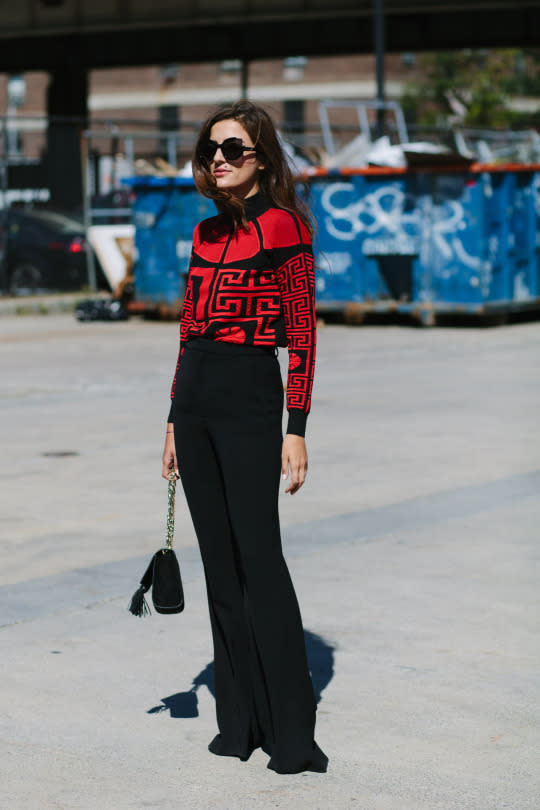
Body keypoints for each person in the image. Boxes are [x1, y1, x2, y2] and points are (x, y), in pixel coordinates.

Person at [161, 101, 328, 775]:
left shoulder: (286, 227)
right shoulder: (203, 233)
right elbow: (186, 328)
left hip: (251, 398)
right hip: (197, 398)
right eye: (210, 151)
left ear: (262, 156)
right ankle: (239, 721)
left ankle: (291, 729)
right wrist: (172, 418)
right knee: (220, 568)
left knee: (260, 560)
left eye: (232, 148)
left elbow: (304, 334)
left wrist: (297, 428)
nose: (219, 159)